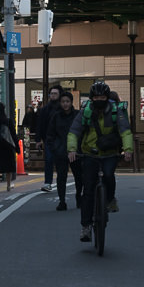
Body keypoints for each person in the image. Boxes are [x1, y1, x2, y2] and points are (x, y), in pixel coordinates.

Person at [67, 80, 133, 242]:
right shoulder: (86, 112)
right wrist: (72, 150)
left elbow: (125, 132)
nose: (99, 100)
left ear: (107, 97)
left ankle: (110, 199)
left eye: (102, 97)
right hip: (89, 154)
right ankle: (86, 227)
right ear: (91, 98)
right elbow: (74, 131)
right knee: (88, 191)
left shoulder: (116, 111)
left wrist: (128, 150)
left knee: (109, 175)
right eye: (96, 98)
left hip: (110, 153)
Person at [46, 89, 83, 210]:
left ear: (71, 102)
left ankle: (79, 196)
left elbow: (82, 132)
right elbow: (50, 134)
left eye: (67, 101)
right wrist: (54, 148)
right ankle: (62, 201)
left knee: (79, 176)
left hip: (76, 151)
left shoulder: (78, 115)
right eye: (63, 101)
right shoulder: (56, 116)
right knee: (61, 177)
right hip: (60, 151)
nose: (65, 104)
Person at [0, 102, 19, 193]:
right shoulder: (8, 121)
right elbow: (13, 135)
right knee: (8, 166)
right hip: (7, 145)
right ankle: (8, 185)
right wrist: (17, 147)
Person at [36, 84, 62, 191]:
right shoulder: (45, 109)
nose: (53, 96)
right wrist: (38, 140)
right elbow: (40, 125)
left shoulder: (63, 108)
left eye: (55, 93)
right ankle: (48, 182)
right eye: (51, 94)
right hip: (49, 139)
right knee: (49, 160)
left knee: (61, 161)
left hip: (62, 139)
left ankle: (61, 181)